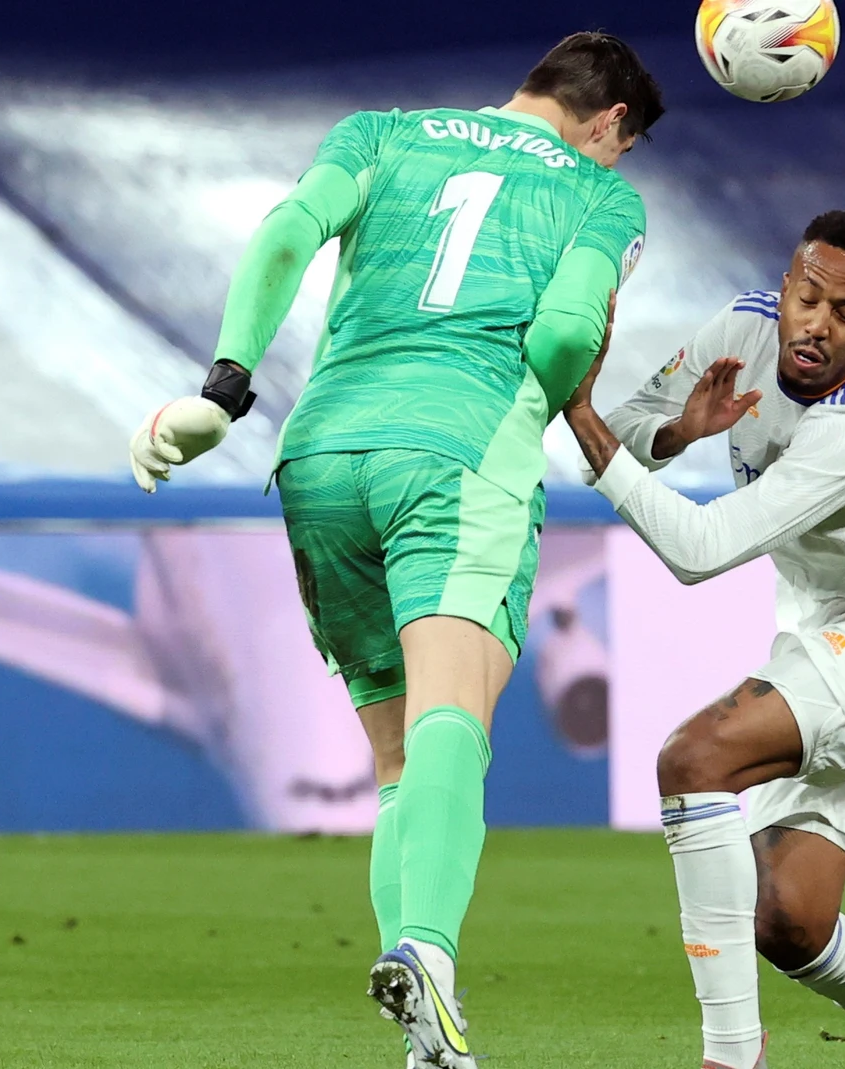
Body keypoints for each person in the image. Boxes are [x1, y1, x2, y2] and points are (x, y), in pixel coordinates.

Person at [124, 31, 664, 1068]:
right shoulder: (602, 199)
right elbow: (557, 338)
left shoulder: (379, 133)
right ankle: (430, 951)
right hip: (457, 456)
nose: (615, 164)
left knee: (398, 762)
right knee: (452, 717)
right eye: (621, 148)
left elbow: (289, 229)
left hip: (321, 455)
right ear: (607, 125)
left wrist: (221, 391)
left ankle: (423, 1028)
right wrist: (539, 403)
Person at [562, 211, 845, 1069]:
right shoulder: (742, 328)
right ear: (784, 287)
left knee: (695, 758)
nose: (816, 323)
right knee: (790, 920)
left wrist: (578, 411)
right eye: (806, 297)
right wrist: (673, 433)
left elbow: (698, 552)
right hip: (822, 625)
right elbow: (623, 439)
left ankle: (731, 1058)